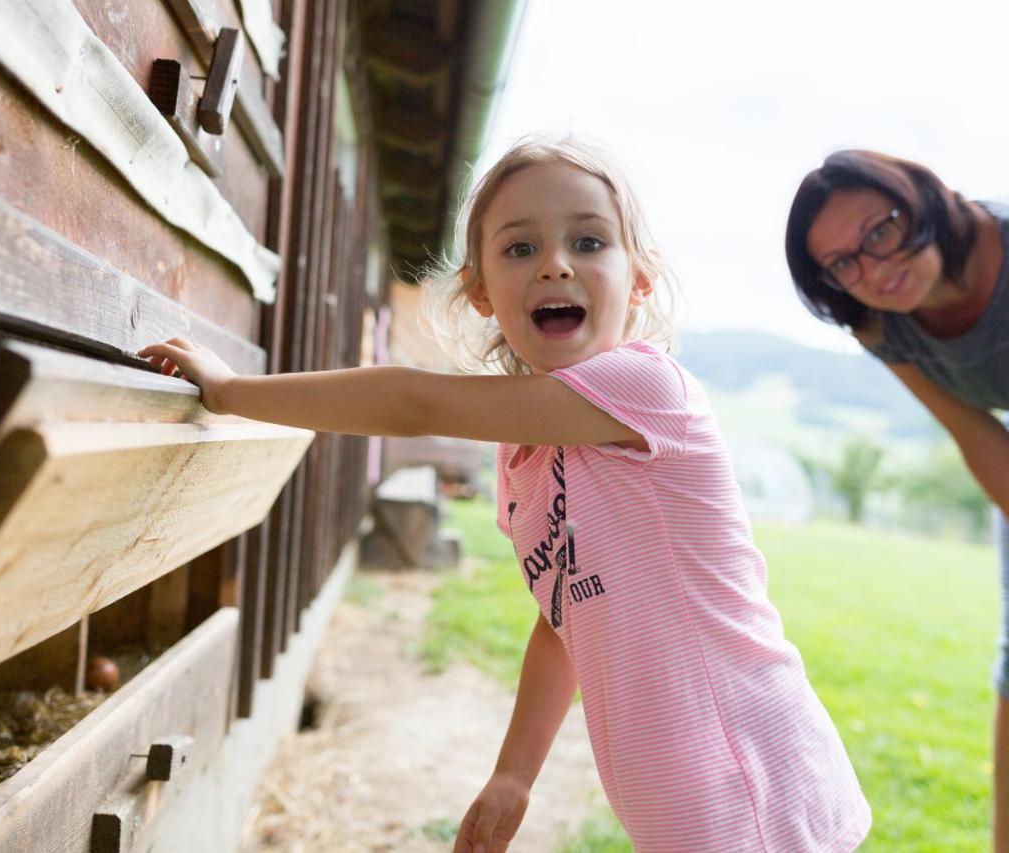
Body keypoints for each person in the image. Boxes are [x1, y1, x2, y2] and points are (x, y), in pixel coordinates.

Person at [141, 135, 871, 852]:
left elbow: (414, 404)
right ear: (481, 291)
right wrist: (514, 774)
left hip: (751, 778)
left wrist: (232, 391)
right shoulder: (525, 458)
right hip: (683, 799)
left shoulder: (648, 390)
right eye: (521, 248)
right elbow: (565, 622)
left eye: (588, 242)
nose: (555, 265)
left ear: (640, 278)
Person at [786, 149, 1009, 848]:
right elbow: (973, 432)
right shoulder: (880, 321)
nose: (874, 269)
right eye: (843, 263)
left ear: (916, 199)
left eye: (879, 231)